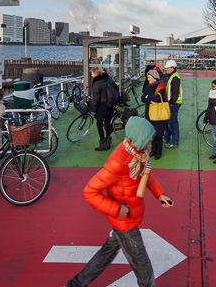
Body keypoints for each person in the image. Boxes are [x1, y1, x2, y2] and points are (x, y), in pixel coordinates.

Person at [65, 117, 174, 287]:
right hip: (125, 222)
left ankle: (76, 284)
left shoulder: (138, 153)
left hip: (128, 217)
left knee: (106, 254)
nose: (151, 140)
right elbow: (89, 191)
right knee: (143, 268)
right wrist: (116, 209)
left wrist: (160, 194)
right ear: (139, 138)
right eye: (149, 138)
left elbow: (146, 175)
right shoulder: (118, 163)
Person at [141, 69, 167, 160]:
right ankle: (153, 150)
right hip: (150, 113)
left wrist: (149, 97)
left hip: (158, 114)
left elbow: (158, 98)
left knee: (159, 134)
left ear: (154, 77)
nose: (148, 79)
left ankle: (158, 152)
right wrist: (151, 100)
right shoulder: (148, 87)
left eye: (149, 77)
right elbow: (142, 98)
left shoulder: (161, 86)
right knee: (152, 134)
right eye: (148, 77)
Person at [90, 67, 114, 151]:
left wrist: (93, 110)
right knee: (107, 123)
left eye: (92, 74)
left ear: (96, 74)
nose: (91, 75)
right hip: (109, 104)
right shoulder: (108, 79)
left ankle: (103, 144)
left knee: (99, 124)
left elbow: (96, 99)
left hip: (101, 105)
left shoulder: (96, 83)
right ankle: (108, 141)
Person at [163, 59, 182, 148]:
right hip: (171, 102)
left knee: (173, 123)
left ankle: (174, 142)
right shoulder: (172, 76)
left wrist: (171, 103)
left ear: (172, 68)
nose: (166, 70)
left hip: (173, 104)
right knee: (168, 121)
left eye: (167, 68)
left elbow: (175, 92)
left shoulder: (175, 78)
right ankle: (167, 138)